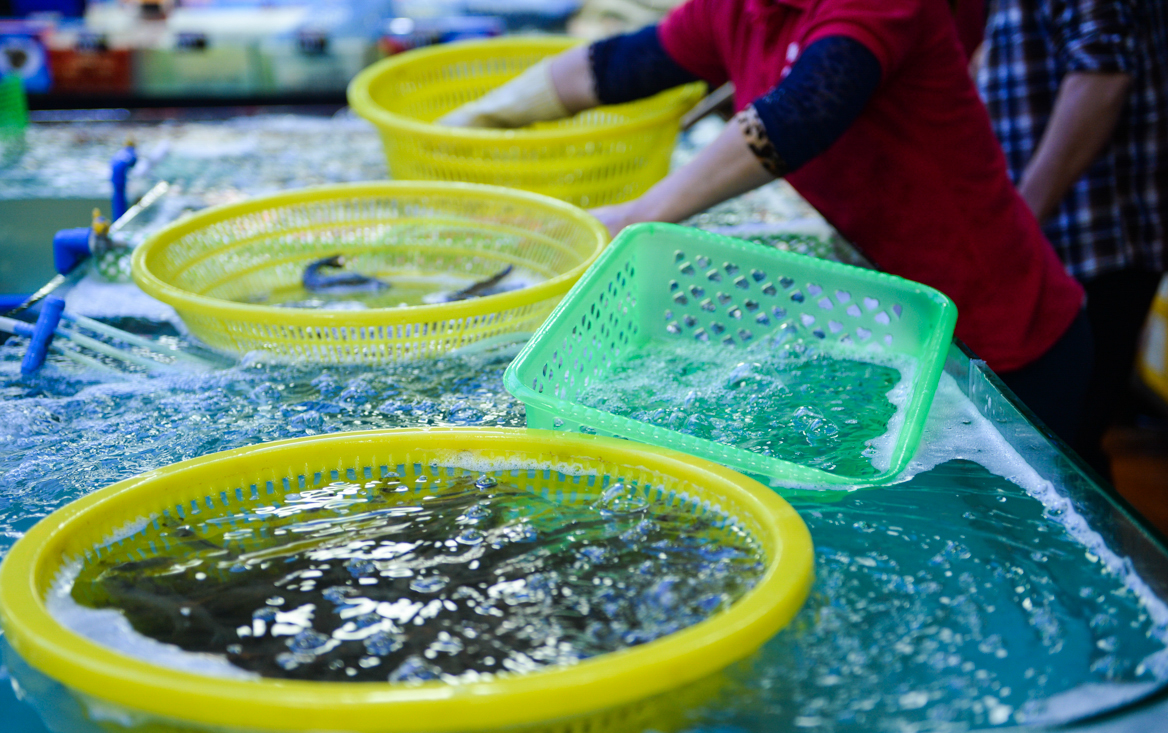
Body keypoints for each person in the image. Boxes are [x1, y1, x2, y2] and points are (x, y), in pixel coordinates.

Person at [441, 0, 1092, 446]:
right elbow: (618, 66)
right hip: (905, 319)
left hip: (1007, 337)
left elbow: (805, 108)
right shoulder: (739, 8)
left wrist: (637, 217)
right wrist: (484, 115)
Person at [976, 0, 1167, 480]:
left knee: (1065, 456)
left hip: (1096, 241)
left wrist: (1019, 220)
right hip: (1064, 240)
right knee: (1059, 447)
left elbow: (1101, 77)